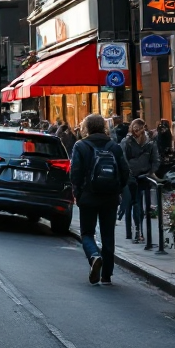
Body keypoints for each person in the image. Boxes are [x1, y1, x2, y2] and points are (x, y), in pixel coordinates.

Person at [70, 114, 129, 286]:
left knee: (87, 233)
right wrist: (117, 189)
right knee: (108, 234)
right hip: (110, 197)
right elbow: (125, 172)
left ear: (86, 127)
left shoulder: (80, 145)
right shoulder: (114, 146)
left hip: (88, 196)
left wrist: (78, 193)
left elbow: (75, 173)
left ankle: (94, 256)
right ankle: (107, 276)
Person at [121, 119, 159, 243]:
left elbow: (155, 160)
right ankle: (137, 230)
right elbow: (124, 159)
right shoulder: (127, 141)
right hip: (132, 177)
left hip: (143, 176)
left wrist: (150, 172)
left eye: (139, 128)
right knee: (136, 203)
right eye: (135, 128)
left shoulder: (149, 142)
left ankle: (138, 230)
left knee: (138, 203)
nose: (137, 130)